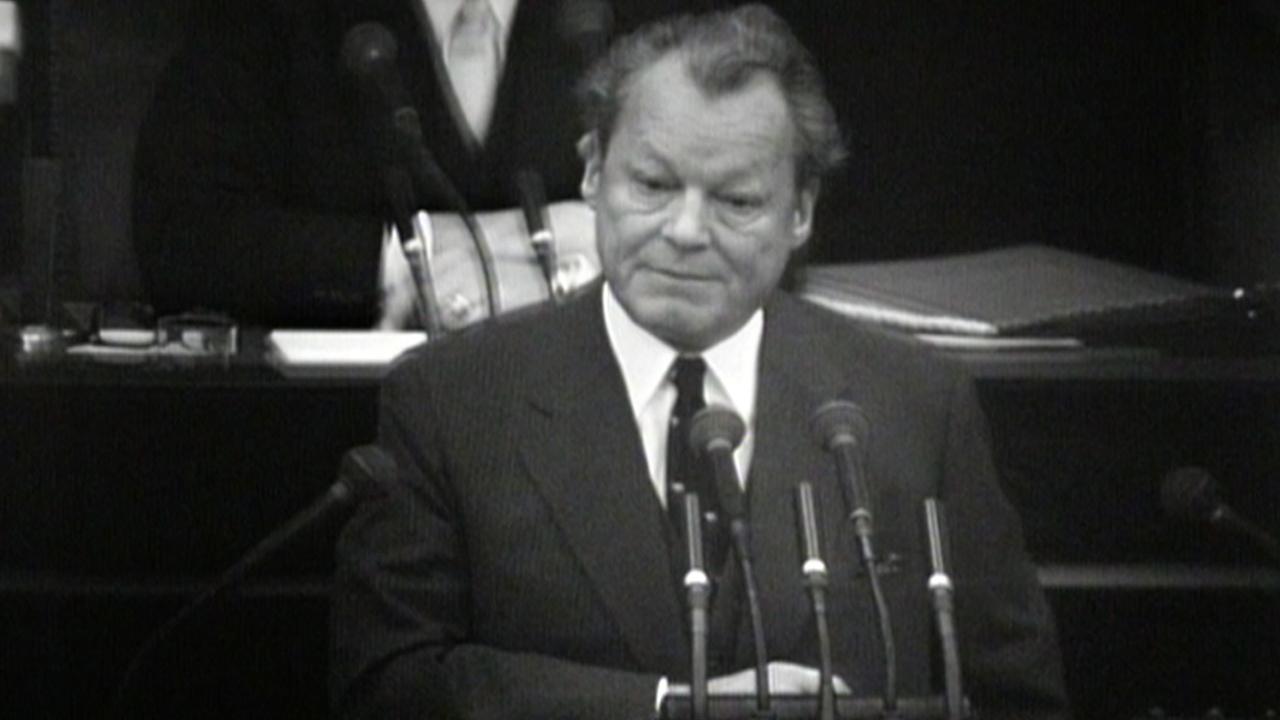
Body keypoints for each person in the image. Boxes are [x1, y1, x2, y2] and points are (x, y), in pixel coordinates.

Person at [330, 5, 1069, 719]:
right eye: (652, 186)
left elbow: (1016, 699)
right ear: (592, 173)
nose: (685, 231)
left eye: (737, 201)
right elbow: (389, 687)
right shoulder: (452, 399)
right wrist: (667, 711)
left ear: (801, 211)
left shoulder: (915, 402)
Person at [133, 0, 690, 328]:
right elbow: (183, 240)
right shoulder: (267, 19)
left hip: (589, 445)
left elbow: (753, 226)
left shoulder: (661, 20)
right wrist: (411, 261)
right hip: (338, 440)